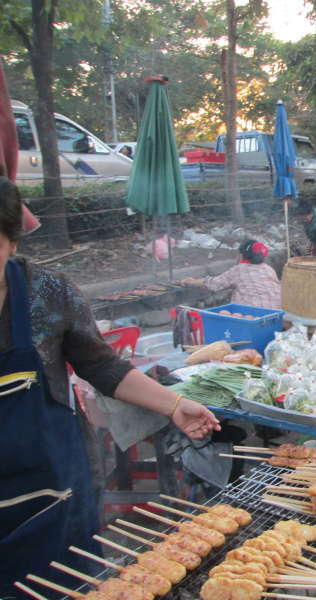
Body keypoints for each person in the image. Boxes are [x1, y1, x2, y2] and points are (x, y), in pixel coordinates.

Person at [0, 177, 220, 593]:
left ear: (13, 243)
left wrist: (174, 405)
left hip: (52, 494)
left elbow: (101, 366)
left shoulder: (47, 293)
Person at [193, 239, 281, 309]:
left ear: (242, 255)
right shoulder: (269, 269)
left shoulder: (239, 270)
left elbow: (214, 284)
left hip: (252, 314)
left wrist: (189, 281)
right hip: (276, 313)